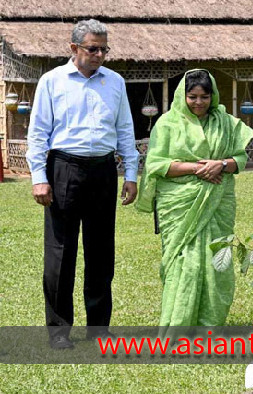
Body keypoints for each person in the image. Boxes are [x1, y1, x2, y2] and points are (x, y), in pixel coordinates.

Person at [25, 19, 139, 349]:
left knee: (101, 252)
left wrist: (130, 174)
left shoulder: (115, 82)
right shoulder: (51, 82)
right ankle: (59, 330)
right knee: (61, 253)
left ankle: (98, 329)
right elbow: (37, 134)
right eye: (93, 48)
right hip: (63, 168)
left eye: (104, 49)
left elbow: (125, 131)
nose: (100, 54)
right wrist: (39, 178)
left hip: (103, 170)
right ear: (74, 48)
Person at [135, 70, 253, 330]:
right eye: (192, 97)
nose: (198, 102)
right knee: (182, 262)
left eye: (204, 96)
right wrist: (197, 168)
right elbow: (156, 164)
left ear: (213, 96)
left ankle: (209, 324)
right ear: (183, 96)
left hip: (217, 202)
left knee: (215, 264)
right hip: (178, 204)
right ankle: (177, 324)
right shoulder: (167, 123)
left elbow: (241, 160)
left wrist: (221, 164)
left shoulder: (226, 123)